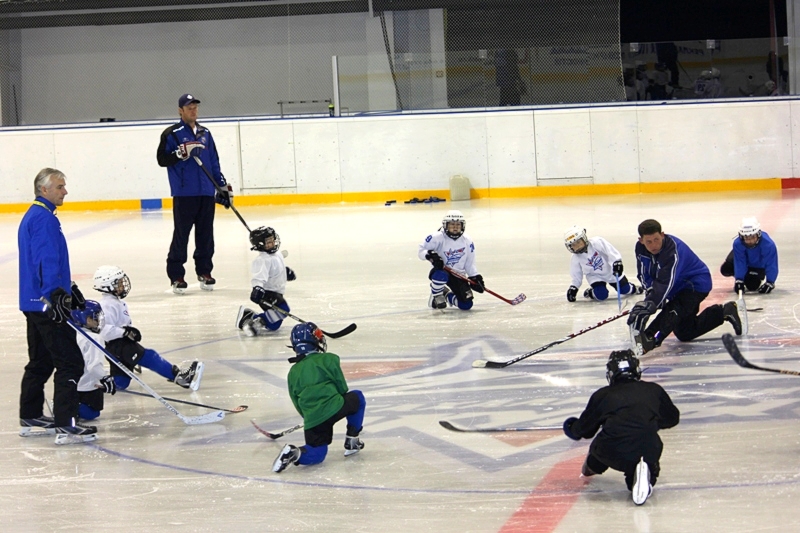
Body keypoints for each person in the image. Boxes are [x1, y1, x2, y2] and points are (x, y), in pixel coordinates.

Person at [18, 167, 97, 444]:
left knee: (40, 361)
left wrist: (69, 289)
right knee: (70, 363)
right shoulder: (43, 219)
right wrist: (55, 295)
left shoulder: (38, 215)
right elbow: (45, 260)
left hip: (34, 302)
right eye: (60, 186)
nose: (65, 191)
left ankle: (30, 414)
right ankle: (67, 423)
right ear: (44, 189)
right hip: (46, 304)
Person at [563, 350, 680, 505]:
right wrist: (651, 422)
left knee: (601, 444)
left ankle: (591, 467)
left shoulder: (603, 395)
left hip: (613, 450)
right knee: (646, 450)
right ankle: (644, 478)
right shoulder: (654, 390)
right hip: (649, 446)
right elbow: (672, 419)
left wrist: (571, 427)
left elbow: (585, 430)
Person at [156, 93, 232, 294]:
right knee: (181, 235)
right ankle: (177, 275)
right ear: (180, 110)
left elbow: (214, 161)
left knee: (206, 234)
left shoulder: (205, 133)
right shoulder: (172, 134)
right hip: (184, 193)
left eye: (195, 107)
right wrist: (180, 154)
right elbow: (162, 159)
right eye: (189, 107)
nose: (193, 110)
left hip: (206, 191)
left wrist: (221, 186)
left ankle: (204, 271)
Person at [628, 219, 742, 354]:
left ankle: (649, 338)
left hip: (695, 284)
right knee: (684, 332)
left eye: (656, 239)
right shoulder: (640, 249)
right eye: (649, 241)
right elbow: (644, 273)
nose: (654, 245)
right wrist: (650, 292)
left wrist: (651, 303)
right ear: (641, 240)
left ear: (662, 235)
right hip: (675, 289)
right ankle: (723, 312)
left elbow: (666, 281)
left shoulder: (673, 250)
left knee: (674, 310)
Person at [272, 323, 366, 473]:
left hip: (313, 419)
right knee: (358, 397)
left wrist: (310, 417)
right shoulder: (329, 359)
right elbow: (342, 388)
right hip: (335, 406)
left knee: (316, 454)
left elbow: (296, 400)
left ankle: (294, 453)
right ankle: (352, 441)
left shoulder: (293, 372)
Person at [92, 265, 203, 391]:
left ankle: (97, 385)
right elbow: (104, 331)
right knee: (150, 356)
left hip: (118, 347)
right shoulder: (107, 305)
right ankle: (179, 376)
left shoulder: (113, 302)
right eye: (119, 283)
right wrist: (125, 332)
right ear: (109, 286)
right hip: (121, 346)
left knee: (121, 382)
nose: (123, 285)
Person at [418, 210, 486, 310]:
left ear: (462, 226)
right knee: (440, 276)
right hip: (442, 271)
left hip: (458, 275)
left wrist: (474, 277)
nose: (455, 227)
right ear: (445, 225)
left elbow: (469, 263)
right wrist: (430, 256)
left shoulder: (467, 240)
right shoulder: (436, 237)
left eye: (458, 225)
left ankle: (445, 294)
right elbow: (421, 251)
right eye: (452, 225)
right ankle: (436, 295)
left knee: (466, 305)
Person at [236, 227, 296, 336]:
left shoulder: (276, 254)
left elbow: (276, 268)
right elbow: (258, 277)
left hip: (276, 291)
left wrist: (285, 272)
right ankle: (256, 322)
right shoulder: (262, 260)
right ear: (260, 245)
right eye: (268, 242)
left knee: (274, 325)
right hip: (266, 293)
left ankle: (249, 316)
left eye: (272, 240)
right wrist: (257, 288)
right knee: (283, 310)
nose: (272, 243)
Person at [563, 225, 643, 302]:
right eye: (573, 245)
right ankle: (591, 292)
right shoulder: (575, 258)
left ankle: (633, 288)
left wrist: (616, 262)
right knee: (601, 295)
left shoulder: (597, 242)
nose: (577, 246)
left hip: (611, 271)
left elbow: (611, 252)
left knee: (624, 290)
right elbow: (576, 274)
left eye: (578, 242)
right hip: (595, 276)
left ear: (584, 238)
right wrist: (574, 287)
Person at [71, 300, 116, 421]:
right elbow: (94, 366)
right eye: (95, 318)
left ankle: (65, 402)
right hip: (86, 385)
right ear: (87, 320)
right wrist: (105, 378)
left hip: (73, 383)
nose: (99, 321)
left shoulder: (74, 333)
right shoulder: (94, 338)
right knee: (92, 413)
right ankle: (65, 406)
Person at [720, 217, 778, 294]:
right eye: (746, 238)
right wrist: (739, 280)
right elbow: (740, 261)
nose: (750, 241)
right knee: (726, 269)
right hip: (746, 261)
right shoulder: (738, 243)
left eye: (753, 237)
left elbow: (771, 264)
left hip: (758, 266)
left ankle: (750, 274)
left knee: (752, 285)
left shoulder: (768, 245)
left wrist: (770, 282)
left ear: (758, 234)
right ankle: (745, 275)